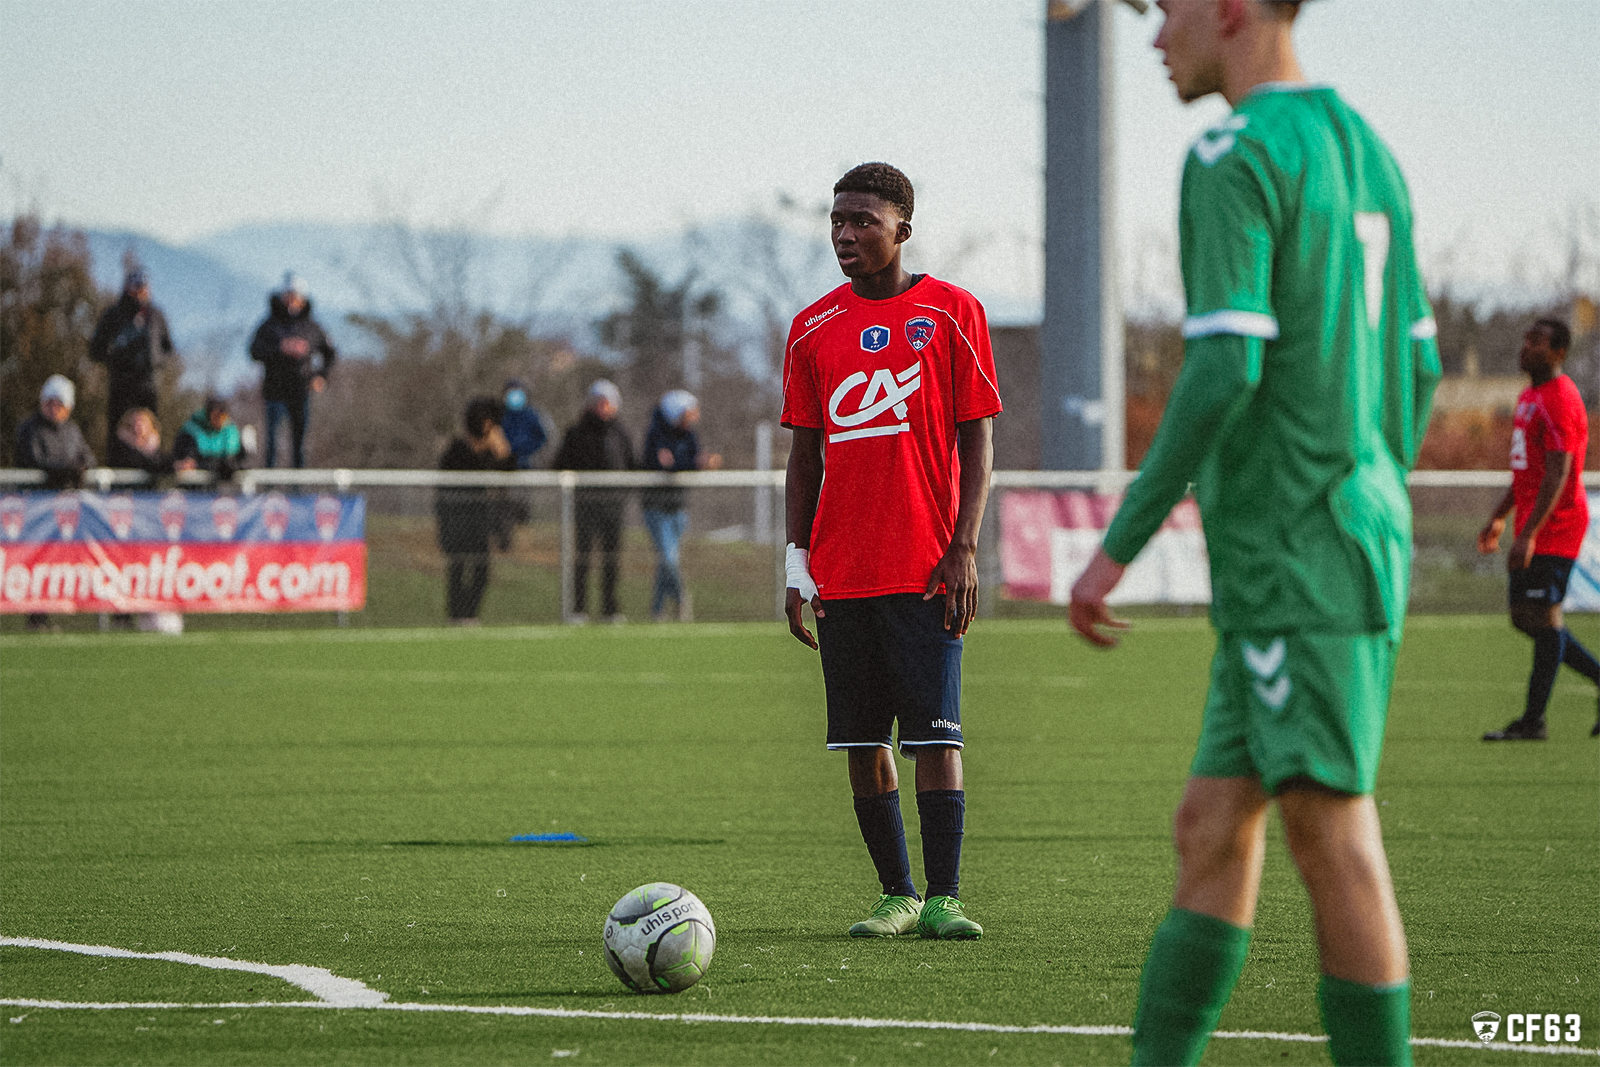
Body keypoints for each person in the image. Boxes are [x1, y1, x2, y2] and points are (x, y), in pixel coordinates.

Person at [1066, 4, 1441, 1064]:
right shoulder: (1368, 149)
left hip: (1294, 555)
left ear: (1230, 8)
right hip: (1330, 543)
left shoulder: (1233, 152)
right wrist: (1373, 494)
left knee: (1331, 836)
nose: (1152, 37)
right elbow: (1416, 367)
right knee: (1210, 824)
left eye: (1167, 10)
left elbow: (1226, 366)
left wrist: (1118, 541)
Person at [782, 162, 1001, 942]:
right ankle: (896, 894)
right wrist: (794, 561)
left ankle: (944, 895)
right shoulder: (811, 328)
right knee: (861, 738)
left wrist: (964, 547)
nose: (845, 233)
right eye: (837, 220)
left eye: (863, 220)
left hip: (927, 566)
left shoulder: (952, 313)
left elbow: (977, 441)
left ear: (902, 227)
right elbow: (804, 458)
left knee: (937, 737)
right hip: (843, 572)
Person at [1477, 319, 1600, 741]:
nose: (1525, 346)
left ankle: (1533, 722)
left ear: (1559, 353)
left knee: (1544, 618)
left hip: (1558, 524)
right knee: (1523, 617)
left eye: (1537, 342)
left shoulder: (1562, 398)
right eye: (1526, 338)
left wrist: (1529, 533)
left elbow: (1558, 474)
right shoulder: (1529, 396)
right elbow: (1527, 472)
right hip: (1535, 521)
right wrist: (1500, 515)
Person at [15, 375, 96, 632]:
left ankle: (54, 609)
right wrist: (62, 471)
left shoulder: (72, 431)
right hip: (37, 508)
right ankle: (36, 616)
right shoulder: (30, 429)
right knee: (36, 558)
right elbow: (32, 461)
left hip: (67, 509)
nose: (53, 408)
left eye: (58, 403)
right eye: (49, 402)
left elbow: (87, 458)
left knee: (59, 560)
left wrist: (80, 469)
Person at [553, 380, 634, 624]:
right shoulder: (577, 432)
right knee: (583, 557)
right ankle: (578, 609)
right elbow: (560, 464)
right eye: (599, 402)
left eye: (607, 402)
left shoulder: (620, 433)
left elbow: (632, 465)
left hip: (613, 506)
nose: (603, 407)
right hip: (586, 505)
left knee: (611, 559)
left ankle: (610, 609)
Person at [641, 389, 722, 622]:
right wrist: (690, 462)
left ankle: (657, 610)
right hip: (656, 506)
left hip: (677, 505)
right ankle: (681, 598)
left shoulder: (689, 435)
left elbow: (687, 462)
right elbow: (667, 464)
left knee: (667, 561)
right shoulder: (655, 434)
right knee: (669, 559)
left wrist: (697, 463)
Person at [435, 396, 516, 624]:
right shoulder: (457, 450)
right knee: (458, 568)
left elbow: (506, 478)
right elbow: (454, 479)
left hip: (482, 520)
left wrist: (504, 453)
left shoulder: (494, 451)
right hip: (457, 518)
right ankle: (456, 615)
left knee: (481, 569)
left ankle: (470, 614)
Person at [250, 272, 336, 469]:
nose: (292, 302)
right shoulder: (269, 325)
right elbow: (254, 350)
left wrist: (320, 376)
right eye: (288, 296)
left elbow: (330, 353)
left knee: (300, 441)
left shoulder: (312, 327)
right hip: (274, 391)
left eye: (296, 297)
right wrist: (280, 348)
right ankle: (270, 485)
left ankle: (298, 488)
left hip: (300, 390)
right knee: (272, 440)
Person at [88, 268, 177, 441]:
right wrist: (119, 358)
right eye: (136, 288)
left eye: (144, 288)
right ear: (128, 288)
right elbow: (96, 350)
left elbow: (169, 348)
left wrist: (155, 361)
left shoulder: (155, 315)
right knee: (120, 432)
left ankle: (151, 464)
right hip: (122, 386)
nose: (140, 293)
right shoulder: (114, 315)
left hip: (149, 385)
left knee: (150, 432)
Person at [172, 397, 244, 481]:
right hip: (197, 485)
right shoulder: (191, 430)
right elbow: (186, 460)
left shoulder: (231, 432)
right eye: (216, 416)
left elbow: (240, 459)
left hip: (225, 484)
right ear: (208, 414)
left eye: (223, 417)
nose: (219, 420)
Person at [106, 407, 174, 477]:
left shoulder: (160, 456)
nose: (137, 428)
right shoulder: (119, 453)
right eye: (131, 424)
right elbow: (139, 464)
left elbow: (166, 466)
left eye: (143, 422)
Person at [501, 379, 550, 469]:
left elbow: (542, 437)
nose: (515, 396)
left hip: (530, 462)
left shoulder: (533, 415)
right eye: (512, 392)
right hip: (505, 463)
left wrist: (528, 450)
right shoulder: (501, 416)